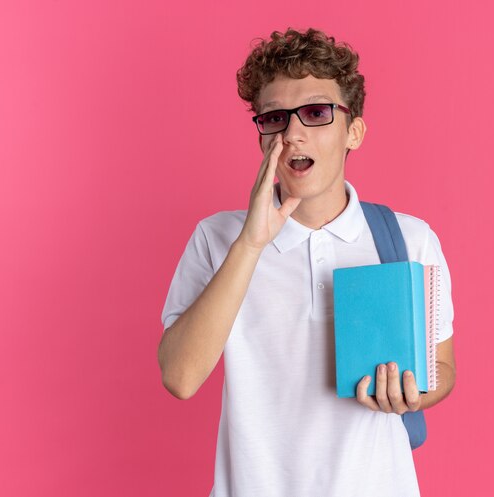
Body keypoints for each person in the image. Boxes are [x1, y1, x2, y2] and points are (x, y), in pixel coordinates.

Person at [158, 28, 456, 497]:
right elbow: (179, 377)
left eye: (316, 113)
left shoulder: (409, 239)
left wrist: (413, 393)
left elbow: (442, 366)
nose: (293, 133)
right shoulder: (217, 238)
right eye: (274, 118)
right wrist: (251, 245)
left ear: (353, 131)